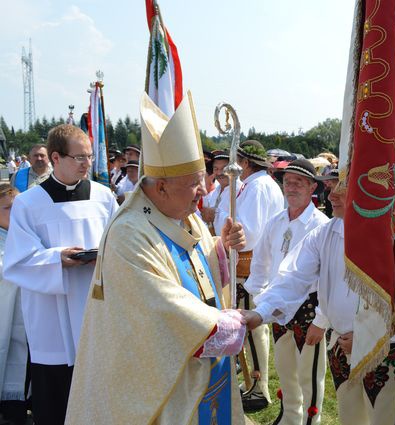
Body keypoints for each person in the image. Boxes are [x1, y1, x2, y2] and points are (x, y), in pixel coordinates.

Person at [65, 93, 247, 425]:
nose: (203, 192)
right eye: (194, 184)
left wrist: (221, 250)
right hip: (158, 386)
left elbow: (198, 268)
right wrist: (222, 326)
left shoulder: (184, 214)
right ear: (161, 188)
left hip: (199, 373)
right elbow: (159, 304)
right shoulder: (128, 234)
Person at [245, 173, 395, 425]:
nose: (330, 196)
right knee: (350, 418)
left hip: (385, 349)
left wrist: (368, 336)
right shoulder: (327, 232)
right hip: (341, 346)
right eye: (330, 187)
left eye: (340, 189)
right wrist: (260, 312)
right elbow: (294, 274)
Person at [3, 125, 119, 425]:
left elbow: (120, 242)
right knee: (56, 401)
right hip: (51, 313)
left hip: (95, 304)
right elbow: (17, 260)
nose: (87, 163)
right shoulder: (29, 203)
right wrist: (58, 258)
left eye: (90, 156)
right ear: (56, 157)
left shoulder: (104, 198)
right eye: (79, 157)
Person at [244, 159, 329, 425]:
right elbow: (260, 263)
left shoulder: (320, 224)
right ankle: (290, 417)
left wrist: (321, 320)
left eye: (299, 182)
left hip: (308, 309)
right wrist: (260, 299)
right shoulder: (276, 222)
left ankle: (309, 421)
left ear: (312, 186)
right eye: (287, 181)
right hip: (278, 308)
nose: (291, 187)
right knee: (285, 369)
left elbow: (328, 278)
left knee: (309, 375)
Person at [233, 139, 285, 411]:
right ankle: (256, 381)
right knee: (255, 328)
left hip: (251, 266)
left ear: (244, 162)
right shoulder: (261, 185)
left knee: (254, 328)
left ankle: (259, 385)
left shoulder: (257, 187)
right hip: (256, 264)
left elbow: (249, 233)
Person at [0, 185, 28, 425]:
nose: (14, 213)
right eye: (8, 208)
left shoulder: (28, 235)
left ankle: (18, 406)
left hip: (26, 315)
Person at [201, 151, 238, 236]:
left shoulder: (240, 191)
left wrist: (215, 215)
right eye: (216, 169)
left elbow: (243, 225)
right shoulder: (214, 193)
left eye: (224, 168)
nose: (219, 173)